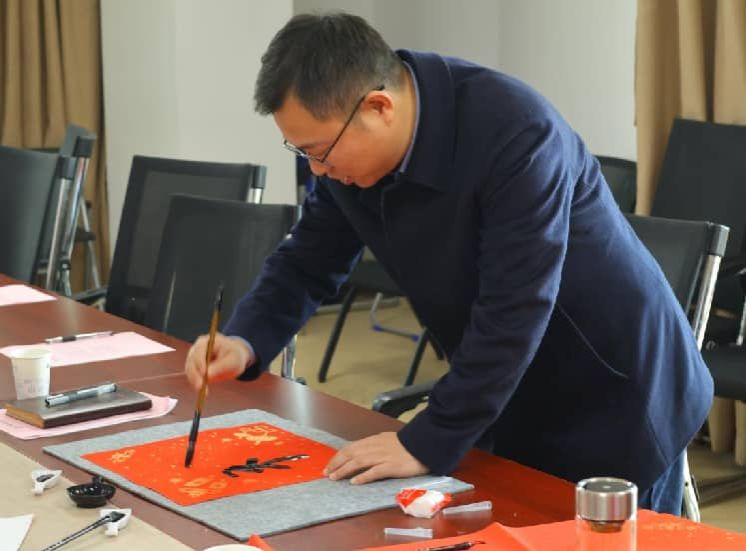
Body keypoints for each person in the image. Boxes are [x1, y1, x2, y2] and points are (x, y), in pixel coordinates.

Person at [185, 12, 712, 514]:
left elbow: (515, 305)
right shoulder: (347, 157)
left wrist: (427, 439)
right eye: (302, 153)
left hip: (615, 387)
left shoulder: (516, 131)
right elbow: (308, 257)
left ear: (378, 107)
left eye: (320, 151)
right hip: (510, 386)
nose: (317, 170)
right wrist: (245, 338)